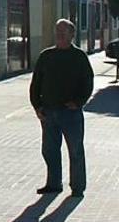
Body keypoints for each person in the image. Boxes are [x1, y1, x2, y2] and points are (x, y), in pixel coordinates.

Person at [29, 19, 94, 197]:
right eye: (57, 31)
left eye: (63, 31)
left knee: (75, 150)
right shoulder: (46, 55)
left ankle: (78, 187)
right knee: (49, 150)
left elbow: (88, 83)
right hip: (48, 112)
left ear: (72, 35)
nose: (59, 34)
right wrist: (37, 106)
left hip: (70, 113)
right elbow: (36, 83)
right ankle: (53, 183)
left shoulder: (79, 57)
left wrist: (79, 102)